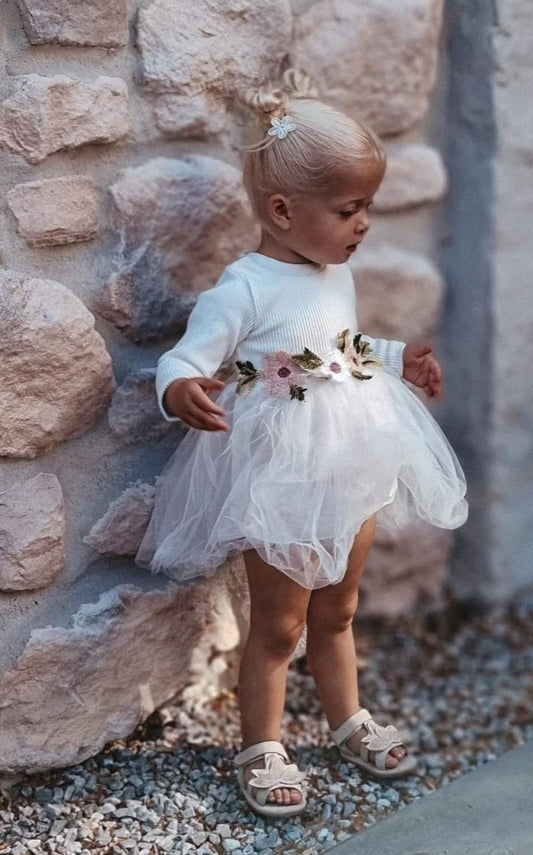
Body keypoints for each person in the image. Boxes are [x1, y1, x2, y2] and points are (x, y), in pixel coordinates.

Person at [136, 69, 468, 818]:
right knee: (280, 621)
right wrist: (178, 387)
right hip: (282, 470)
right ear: (282, 211)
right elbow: (187, 356)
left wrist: (394, 358)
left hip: (351, 455)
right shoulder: (244, 287)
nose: (363, 225)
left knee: (340, 607)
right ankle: (261, 742)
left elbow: (335, 347)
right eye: (349, 209)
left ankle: (345, 715)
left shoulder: (331, 273)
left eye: (367, 208)